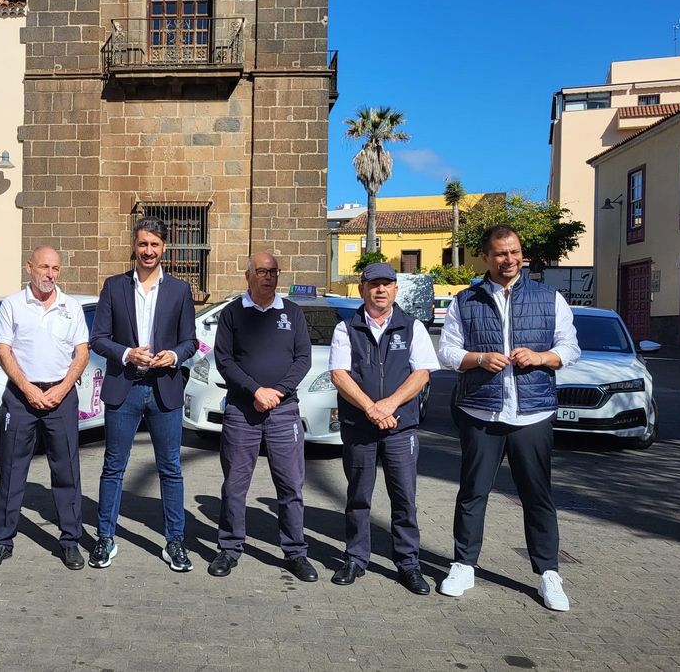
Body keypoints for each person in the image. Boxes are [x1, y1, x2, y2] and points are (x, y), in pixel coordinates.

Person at [437, 224, 580, 611]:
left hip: (532, 413)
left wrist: (541, 357)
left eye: (515, 252)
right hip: (481, 411)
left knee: (537, 496)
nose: (509, 259)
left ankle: (549, 573)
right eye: (501, 253)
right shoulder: (464, 301)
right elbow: (446, 353)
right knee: (472, 493)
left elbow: (570, 347)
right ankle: (464, 565)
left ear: (522, 254)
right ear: (486, 256)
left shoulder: (549, 297)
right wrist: (479, 359)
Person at [87, 217, 198, 572]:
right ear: (133, 246)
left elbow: (190, 340)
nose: (148, 251)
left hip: (164, 388)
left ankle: (175, 542)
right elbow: (99, 337)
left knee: (171, 469)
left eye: (155, 244)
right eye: (142, 244)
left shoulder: (180, 290)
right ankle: (105, 539)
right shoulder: (114, 286)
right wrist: (126, 353)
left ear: (164, 247)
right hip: (125, 387)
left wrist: (175, 355)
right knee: (113, 467)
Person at [328, 262, 439, 594]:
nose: (380, 290)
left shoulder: (412, 327)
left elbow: (422, 373)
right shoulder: (346, 328)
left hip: (400, 426)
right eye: (373, 284)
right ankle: (355, 558)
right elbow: (339, 374)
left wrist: (388, 406)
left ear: (395, 290)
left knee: (404, 498)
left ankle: (408, 564)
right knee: (358, 496)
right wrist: (371, 409)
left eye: (386, 284)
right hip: (359, 426)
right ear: (362, 289)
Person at [208, 252, 317, 582]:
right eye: (261, 271)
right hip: (243, 411)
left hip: (284, 412)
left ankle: (295, 552)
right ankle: (229, 548)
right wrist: (256, 391)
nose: (268, 277)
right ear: (248, 276)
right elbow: (224, 360)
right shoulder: (232, 313)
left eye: (273, 271)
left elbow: (303, 359)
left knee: (290, 485)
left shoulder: (293, 312)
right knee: (235, 485)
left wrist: (277, 392)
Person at [0, 246, 90, 570]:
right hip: (21, 396)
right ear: (29, 267)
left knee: (67, 471)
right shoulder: (13, 306)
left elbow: (82, 353)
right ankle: (2, 541)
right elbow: (3, 350)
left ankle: (70, 541)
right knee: (13, 470)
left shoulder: (71, 307)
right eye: (44, 267)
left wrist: (62, 388)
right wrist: (28, 389)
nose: (50, 274)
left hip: (61, 395)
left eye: (55, 268)